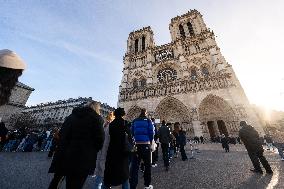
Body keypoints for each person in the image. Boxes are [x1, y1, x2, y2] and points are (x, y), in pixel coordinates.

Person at [48, 101, 104, 189]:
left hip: (63, 154)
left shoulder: (71, 116)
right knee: (75, 184)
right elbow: (100, 140)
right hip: (82, 157)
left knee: (56, 181)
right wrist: (92, 150)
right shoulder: (96, 118)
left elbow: (62, 134)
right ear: (97, 108)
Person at [104, 108, 131, 189]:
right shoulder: (125, 123)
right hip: (122, 152)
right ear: (123, 114)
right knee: (125, 177)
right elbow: (130, 138)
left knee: (109, 175)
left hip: (112, 151)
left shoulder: (111, 124)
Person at [130, 108, 154, 189]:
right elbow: (151, 132)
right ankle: (147, 185)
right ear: (146, 113)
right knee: (147, 166)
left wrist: (136, 139)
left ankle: (132, 186)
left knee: (135, 167)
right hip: (146, 145)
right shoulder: (148, 120)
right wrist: (150, 142)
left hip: (137, 145)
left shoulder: (135, 121)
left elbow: (131, 132)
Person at [93, 112, 115, 189]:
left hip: (100, 154)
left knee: (99, 179)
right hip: (107, 155)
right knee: (102, 180)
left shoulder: (103, 125)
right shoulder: (111, 127)